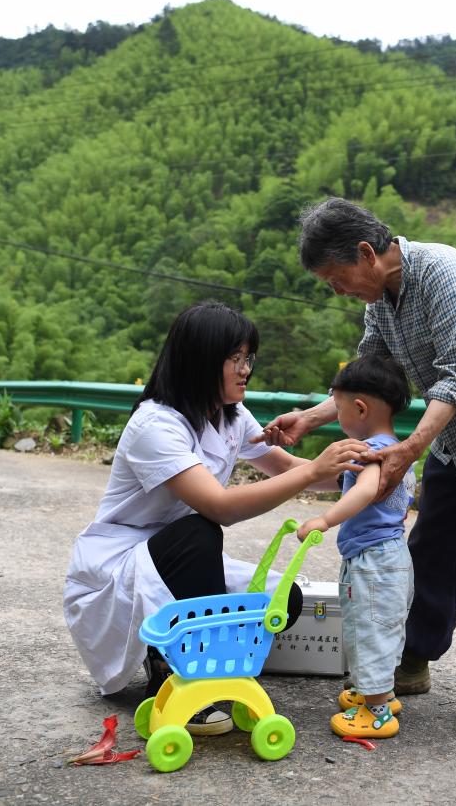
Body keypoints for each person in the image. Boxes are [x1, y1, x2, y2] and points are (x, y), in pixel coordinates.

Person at [259, 197, 456, 734]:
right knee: (431, 545)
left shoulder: (442, 272)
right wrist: (310, 418)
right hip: (451, 431)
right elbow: (369, 379)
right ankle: (412, 659)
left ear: (365, 253)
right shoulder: (380, 299)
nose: (340, 291)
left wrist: (409, 449)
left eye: (338, 279)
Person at [63, 301, 368, 737]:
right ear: (201, 359)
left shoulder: (230, 414)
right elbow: (220, 507)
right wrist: (315, 469)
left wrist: (356, 471)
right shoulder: (156, 425)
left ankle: (207, 656)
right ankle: (175, 669)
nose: (246, 370)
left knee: (287, 599)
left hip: (180, 556)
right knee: (200, 531)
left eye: (249, 358)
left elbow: (285, 468)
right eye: (236, 359)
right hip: (122, 564)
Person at [294, 355, 417, 740]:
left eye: (339, 407)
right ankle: (376, 694)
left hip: (374, 563)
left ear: (359, 408)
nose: (338, 416)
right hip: (383, 557)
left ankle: (378, 711)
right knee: (376, 626)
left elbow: (365, 491)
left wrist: (325, 520)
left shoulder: (374, 453)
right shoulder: (393, 448)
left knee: (370, 630)